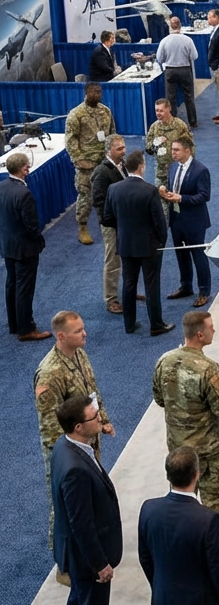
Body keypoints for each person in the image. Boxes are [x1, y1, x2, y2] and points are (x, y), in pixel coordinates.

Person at [152, 310, 219, 556]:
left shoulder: (164, 360)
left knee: (180, 501)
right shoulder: (208, 369)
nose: (214, 330)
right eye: (211, 327)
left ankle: (181, 550)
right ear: (200, 334)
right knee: (214, 504)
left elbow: (159, 399)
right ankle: (213, 552)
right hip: (208, 451)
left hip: (178, 448)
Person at [36, 311, 114, 575]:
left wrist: (103, 421)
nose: (85, 334)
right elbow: (50, 424)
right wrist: (71, 453)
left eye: (83, 328)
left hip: (87, 441)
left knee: (90, 500)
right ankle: (65, 564)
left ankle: (90, 552)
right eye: (78, 331)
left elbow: (91, 393)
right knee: (66, 507)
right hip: (68, 451)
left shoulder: (79, 354)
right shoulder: (50, 373)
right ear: (61, 336)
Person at [138, 446, 219, 605]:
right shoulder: (209, 520)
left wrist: (160, 587)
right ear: (197, 475)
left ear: (168, 477)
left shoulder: (148, 510)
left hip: (162, 597)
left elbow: (145, 559)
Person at [50, 394, 123, 605]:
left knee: (79, 598)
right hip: (86, 561)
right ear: (79, 427)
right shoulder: (75, 470)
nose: (100, 418)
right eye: (95, 417)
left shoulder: (63, 445)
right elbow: (81, 524)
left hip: (77, 556)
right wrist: (99, 564)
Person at [102, 149, 173, 337]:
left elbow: (107, 218)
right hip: (150, 246)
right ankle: (156, 324)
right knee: (152, 286)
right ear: (141, 167)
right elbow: (160, 222)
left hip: (125, 245)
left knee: (128, 284)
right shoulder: (150, 190)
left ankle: (129, 324)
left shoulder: (114, 189)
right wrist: (161, 243)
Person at [0, 151, 50, 341]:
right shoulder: (24, 193)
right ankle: (26, 329)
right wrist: (39, 241)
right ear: (24, 169)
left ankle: (14, 324)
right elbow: (32, 225)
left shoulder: (2, 186)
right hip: (25, 248)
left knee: (11, 284)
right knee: (24, 289)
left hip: (7, 245)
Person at [160, 139, 212, 307]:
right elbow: (174, 188)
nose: (173, 153)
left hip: (194, 221)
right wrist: (166, 194)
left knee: (198, 255)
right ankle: (186, 286)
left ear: (188, 151)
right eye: (172, 150)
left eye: (176, 150)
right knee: (181, 255)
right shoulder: (173, 167)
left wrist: (181, 198)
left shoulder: (201, 170)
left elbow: (204, 195)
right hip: (176, 219)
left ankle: (204, 291)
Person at [66, 83, 116, 245]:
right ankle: (82, 226)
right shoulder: (76, 114)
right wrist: (78, 159)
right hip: (86, 163)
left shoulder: (106, 111)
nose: (98, 94)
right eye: (95, 92)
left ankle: (110, 221)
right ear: (87, 93)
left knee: (109, 192)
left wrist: (114, 155)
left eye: (100, 92)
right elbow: (70, 139)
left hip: (104, 162)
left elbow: (112, 134)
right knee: (86, 195)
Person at [91, 135, 130, 313]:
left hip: (124, 221)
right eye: (119, 149)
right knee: (112, 261)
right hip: (111, 224)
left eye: (124, 147)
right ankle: (111, 299)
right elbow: (98, 202)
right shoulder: (101, 172)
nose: (124, 151)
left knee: (128, 257)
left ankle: (128, 289)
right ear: (109, 150)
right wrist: (109, 223)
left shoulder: (122, 165)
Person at [156, 17, 199, 127]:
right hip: (185, 70)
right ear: (180, 25)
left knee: (170, 98)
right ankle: (193, 121)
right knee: (189, 96)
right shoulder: (188, 40)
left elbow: (160, 58)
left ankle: (172, 121)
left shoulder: (164, 41)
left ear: (170, 26)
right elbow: (194, 56)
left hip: (170, 70)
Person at [145, 98, 193, 191]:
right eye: (156, 110)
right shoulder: (154, 127)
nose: (158, 113)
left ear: (168, 109)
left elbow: (190, 147)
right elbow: (148, 149)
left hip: (178, 171)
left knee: (177, 200)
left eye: (161, 111)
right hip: (161, 173)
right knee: (162, 200)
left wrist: (190, 167)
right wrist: (155, 143)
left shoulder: (179, 125)